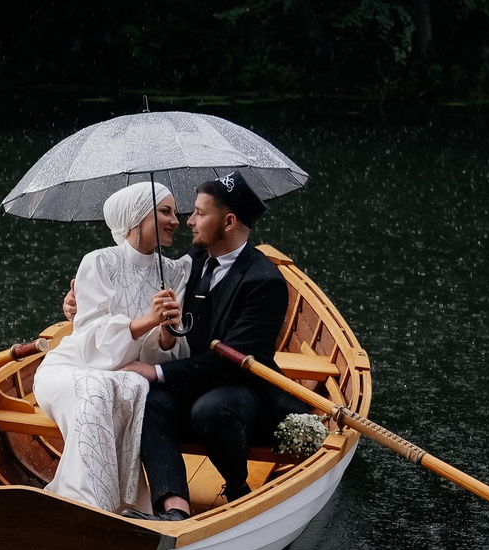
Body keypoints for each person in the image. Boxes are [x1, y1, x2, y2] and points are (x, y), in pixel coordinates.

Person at [117, 171, 302, 519]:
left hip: (244, 392)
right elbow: (137, 279)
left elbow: (230, 362)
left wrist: (155, 371)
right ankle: (175, 508)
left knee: (210, 409)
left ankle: (237, 489)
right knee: (148, 402)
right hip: (194, 384)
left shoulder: (265, 282)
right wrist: (81, 297)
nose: (189, 221)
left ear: (228, 221)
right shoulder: (195, 260)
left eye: (200, 213)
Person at [32, 182, 190, 515]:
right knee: (97, 386)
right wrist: (146, 320)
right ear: (137, 218)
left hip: (125, 377)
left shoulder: (175, 273)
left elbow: (159, 358)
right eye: (165, 211)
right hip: (72, 367)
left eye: (176, 212)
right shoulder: (99, 262)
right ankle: (89, 505)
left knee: (131, 385)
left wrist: (166, 332)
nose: (176, 220)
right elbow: (90, 342)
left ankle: (116, 506)